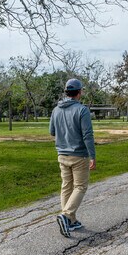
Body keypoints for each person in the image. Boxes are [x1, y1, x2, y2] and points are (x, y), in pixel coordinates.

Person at [49, 78, 96, 237]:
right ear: (79, 92)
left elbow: (52, 132)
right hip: (79, 156)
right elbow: (87, 135)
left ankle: (71, 221)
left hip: (62, 155)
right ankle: (66, 215)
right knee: (80, 187)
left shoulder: (56, 110)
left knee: (66, 187)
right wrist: (92, 156)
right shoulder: (82, 110)